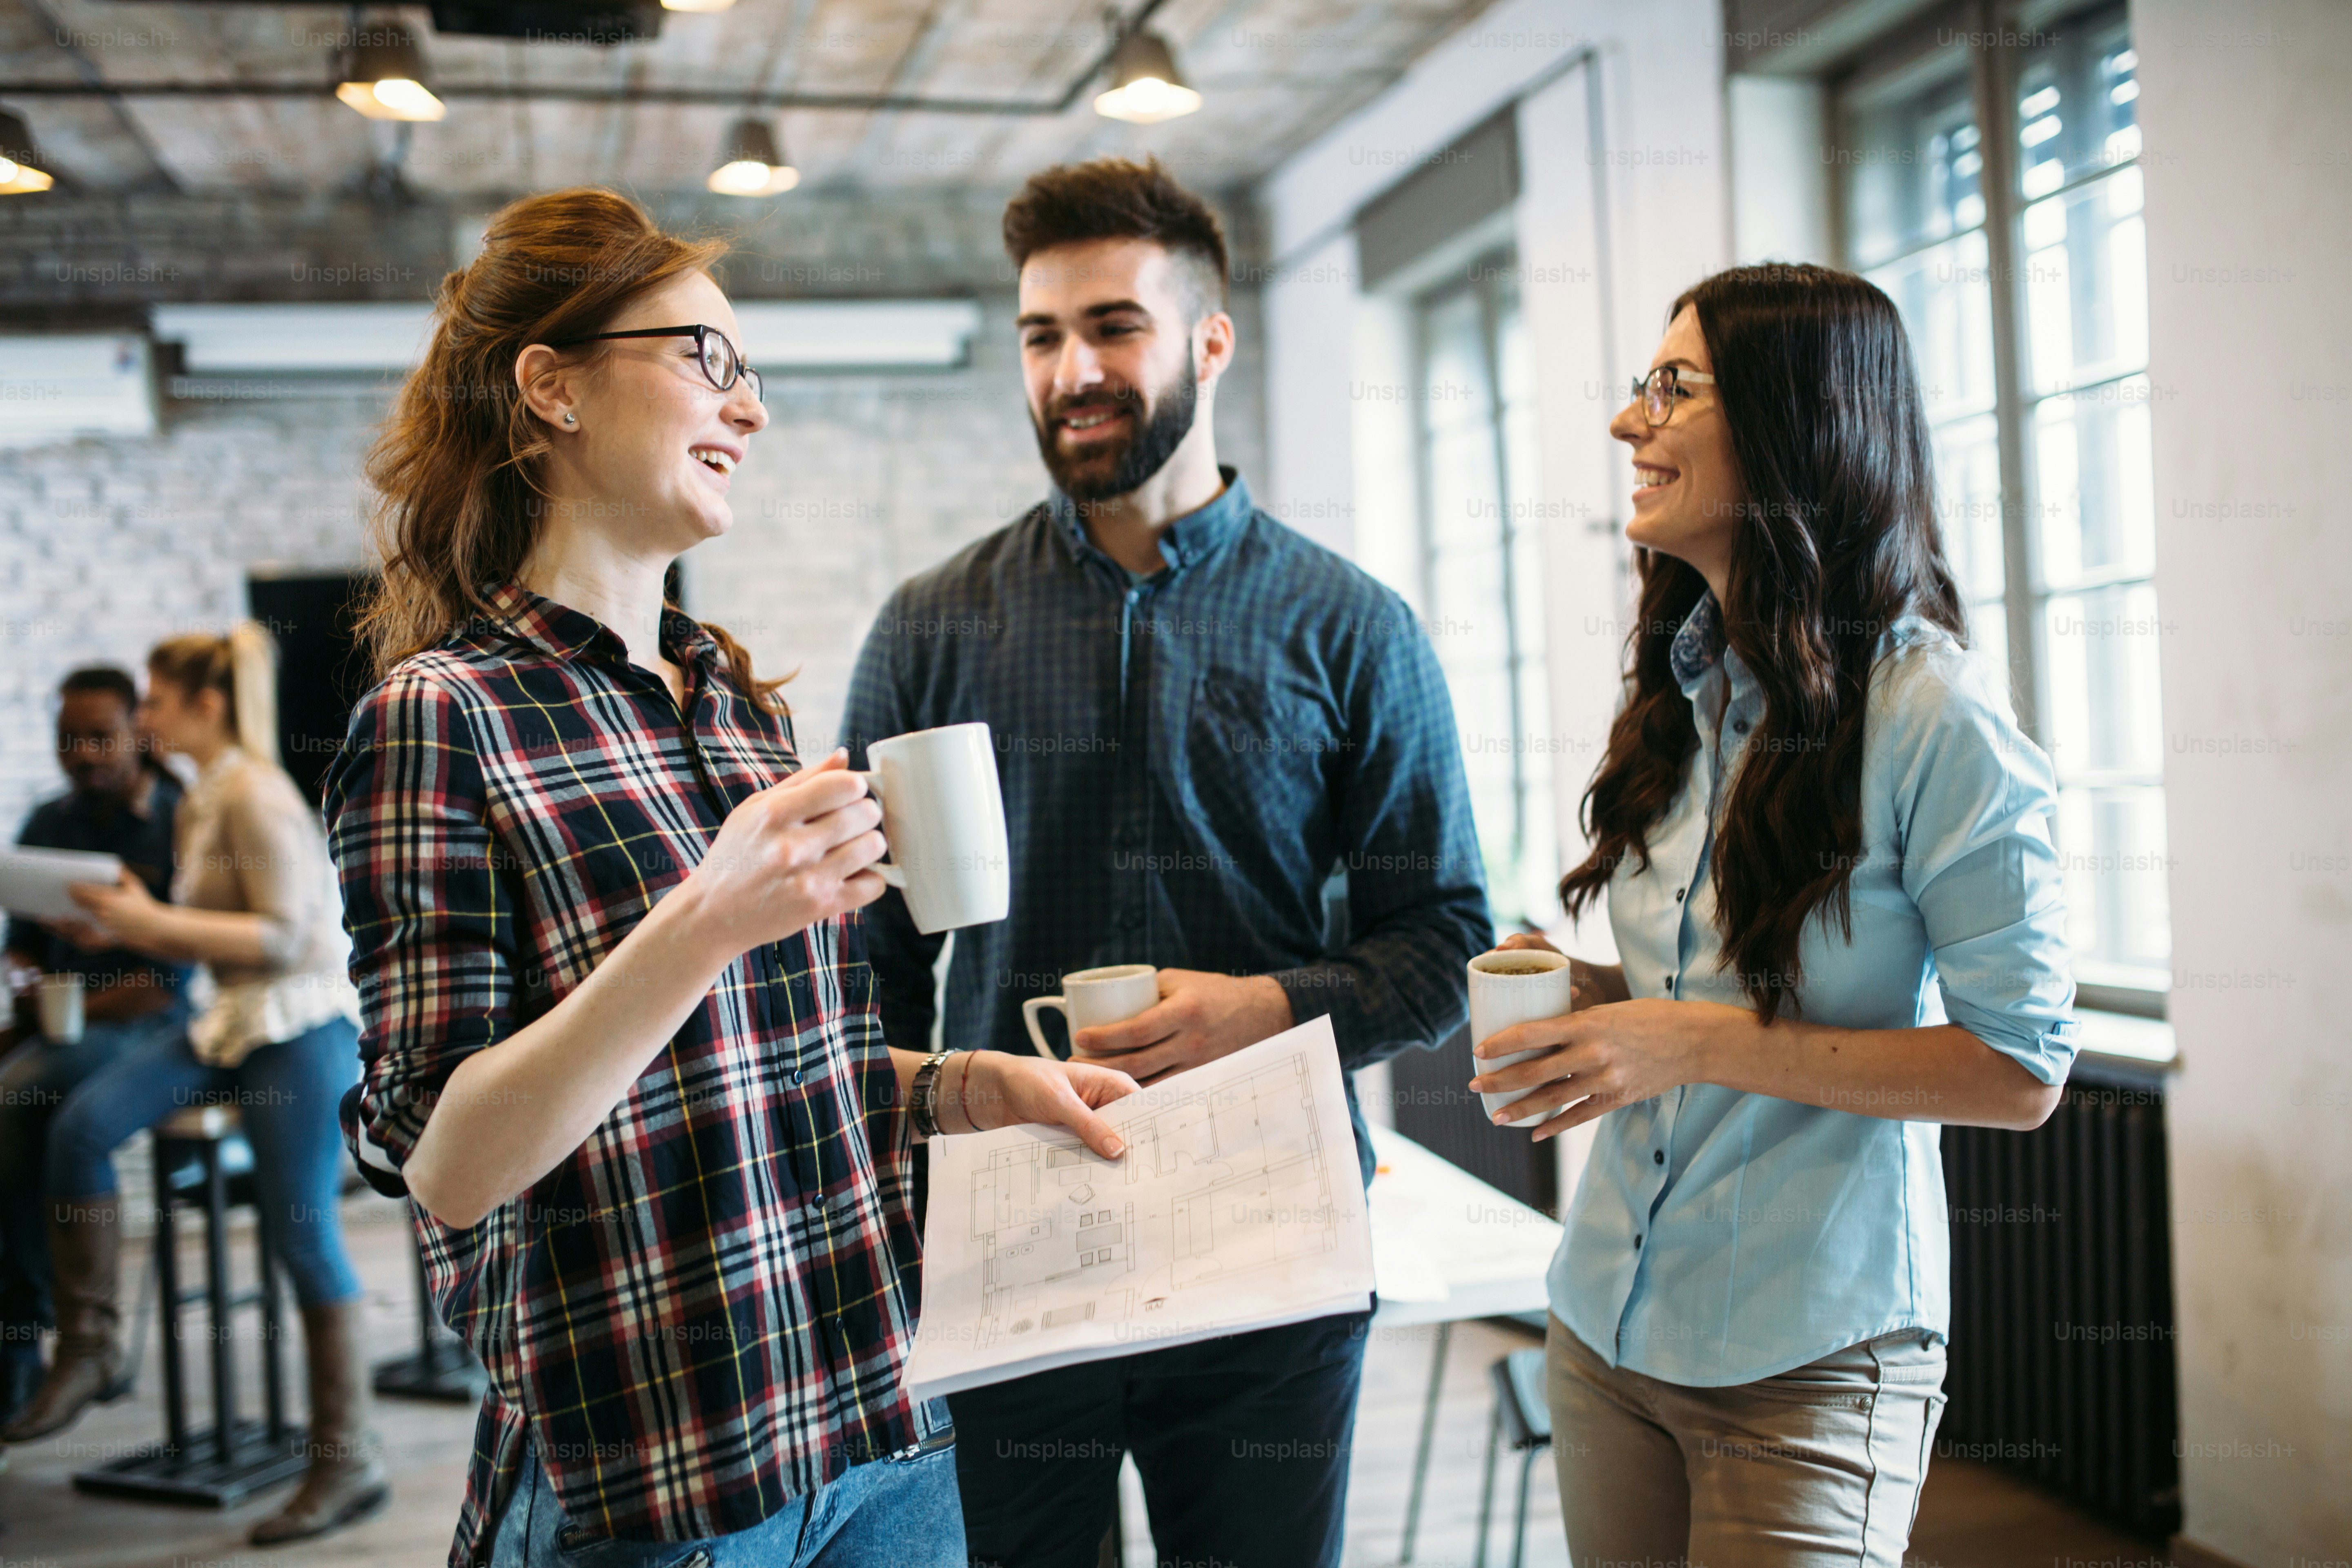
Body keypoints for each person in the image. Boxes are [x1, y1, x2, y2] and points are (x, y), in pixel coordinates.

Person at [324, 187, 1138, 1568]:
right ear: (551, 390)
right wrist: (708, 918)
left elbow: (745, 1081)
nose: (748, 411)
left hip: (885, 1435)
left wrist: (957, 1085)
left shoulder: (733, 707)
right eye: (706, 358)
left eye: (749, 372)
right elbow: (451, 1164)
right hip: (658, 1487)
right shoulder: (439, 716)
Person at [841, 156, 1491, 1568]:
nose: (1073, 369)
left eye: (1113, 327)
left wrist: (1270, 1009)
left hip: (1273, 1250)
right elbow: (862, 963)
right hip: (1005, 1245)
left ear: (1208, 340)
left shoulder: (1354, 630)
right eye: (1040, 335)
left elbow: (1443, 942)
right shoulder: (930, 630)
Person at [1466, 263, 2078, 1568]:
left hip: (1812, 1354)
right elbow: (1688, 1000)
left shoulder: (1939, 721)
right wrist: (1593, 1005)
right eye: (1643, 389)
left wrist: (1686, 1041)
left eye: (1671, 390)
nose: (1630, 425)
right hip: (1606, 1325)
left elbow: (2021, 1071)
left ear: (1800, 425)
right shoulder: (1681, 693)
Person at [3, 626, 383, 1545]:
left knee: (303, 1237)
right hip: (227, 1020)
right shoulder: (203, 796)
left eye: (158, 701)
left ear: (203, 705)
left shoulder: (257, 794)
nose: (146, 717)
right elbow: (205, 926)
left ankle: (348, 1462)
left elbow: (288, 939)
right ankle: (92, 1347)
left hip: (296, 1022)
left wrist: (146, 919)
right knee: (82, 1127)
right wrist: (128, 928)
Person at [0, 666, 191, 1431]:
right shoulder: (48, 822)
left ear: (137, 733)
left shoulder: (177, 819)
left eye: (98, 737)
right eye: (67, 739)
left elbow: (168, 979)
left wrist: (59, 1007)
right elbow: (23, 949)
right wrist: (30, 982)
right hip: (60, 1021)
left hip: (150, 1024)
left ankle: (27, 1329)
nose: (82, 754)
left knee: (20, 1094)